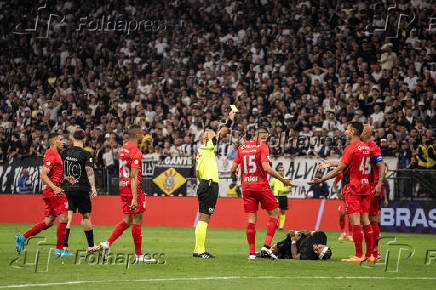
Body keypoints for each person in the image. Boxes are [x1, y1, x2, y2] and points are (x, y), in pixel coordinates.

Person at [309, 122, 373, 262]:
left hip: (353, 187)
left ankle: (358, 255)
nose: (346, 131)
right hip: (365, 186)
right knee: (366, 221)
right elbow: (350, 163)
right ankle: (370, 255)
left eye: (348, 129)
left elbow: (340, 170)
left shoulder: (350, 148)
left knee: (355, 221)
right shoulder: (366, 148)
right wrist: (331, 163)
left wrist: (322, 179)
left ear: (353, 132)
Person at [231, 127, 292, 260]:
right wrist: (282, 179)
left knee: (251, 219)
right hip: (260, 185)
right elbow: (266, 167)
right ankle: (266, 246)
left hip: (246, 187)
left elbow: (233, 168)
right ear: (263, 136)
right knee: (275, 212)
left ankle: (252, 253)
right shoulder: (262, 146)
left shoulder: (242, 148)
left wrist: (235, 177)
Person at [99, 125, 155, 263]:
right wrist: (135, 198)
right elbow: (134, 177)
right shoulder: (136, 152)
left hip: (123, 187)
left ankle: (107, 243)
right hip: (132, 189)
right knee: (138, 219)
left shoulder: (123, 149)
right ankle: (138, 255)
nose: (143, 136)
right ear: (137, 135)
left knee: (127, 220)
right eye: (142, 134)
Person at [15, 133, 76, 256]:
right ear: (53, 142)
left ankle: (22, 237)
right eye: (60, 139)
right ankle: (59, 250)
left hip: (50, 190)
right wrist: (54, 187)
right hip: (53, 191)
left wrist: (65, 178)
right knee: (64, 217)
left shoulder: (55, 154)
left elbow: (54, 174)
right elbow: (43, 174)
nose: (62, 142)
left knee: (48, 222)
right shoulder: (52, 154)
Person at [193, 111, 235, 259]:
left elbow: (197, 172)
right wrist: (230, 118)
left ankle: (198, 249)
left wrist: (202, 184)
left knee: (202, 217)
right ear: (205, 138)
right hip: (209, 185)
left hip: (204, 184)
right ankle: (200, 250)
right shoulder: (207, 146)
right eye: (211, 134)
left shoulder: (199, 151)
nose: (214, 136)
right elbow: (223, 132)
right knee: (205, 218)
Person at [61, 129, 98, 253]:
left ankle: (64, 246)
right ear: (84, 139)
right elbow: (90, 172)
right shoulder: (86, 154)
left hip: (67, 189)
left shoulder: (64, 153)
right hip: (81, 189)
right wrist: (93, 188)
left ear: (72, 139)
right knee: (86, 216)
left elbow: (60, 171)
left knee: (68, 217)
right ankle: (91, 245)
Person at [360, 124, 386, 260]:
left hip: (372, 187)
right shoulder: (360, 146)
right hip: (365, 187)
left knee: (370, 219)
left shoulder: (372, 147)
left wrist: (379, 184)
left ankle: (373, 253)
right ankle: (371, 252)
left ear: (366, 133)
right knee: (367, 220)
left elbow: (381, 165)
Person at [257, 230, 332, 260]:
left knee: (276, 252)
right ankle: (266, 252)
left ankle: (261, 254)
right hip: (299, 238)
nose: (316, 248)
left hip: (292, 248)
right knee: (276, 248)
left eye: (317, 250)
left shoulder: (309, 255)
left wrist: (293, 241)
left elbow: (295, 256)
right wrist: (298, 232)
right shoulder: (321, 236)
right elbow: (309, 232)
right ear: (325, 245)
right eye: (320, 247)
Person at [270, 165, 292, 230]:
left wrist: (284, 191)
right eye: (279, 171)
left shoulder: (287, 179)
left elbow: (289, 190)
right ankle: (276, 224)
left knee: (282, 212)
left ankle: (281, 227)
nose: (281, 172)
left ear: (284, 171)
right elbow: (270, 188)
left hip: (283, 197)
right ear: (277, 171)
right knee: (275, 211)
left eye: (282, 171)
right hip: (276, 197)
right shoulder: (274, 179)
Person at [333, 173, 353, 242]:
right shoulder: (341, 172)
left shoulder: (354, 171)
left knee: (351, 216)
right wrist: (338, 193)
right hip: (343, 199)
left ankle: (350, 234)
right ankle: (342, 233)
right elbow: (335, 182)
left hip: (352, 197)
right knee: (342, 214)